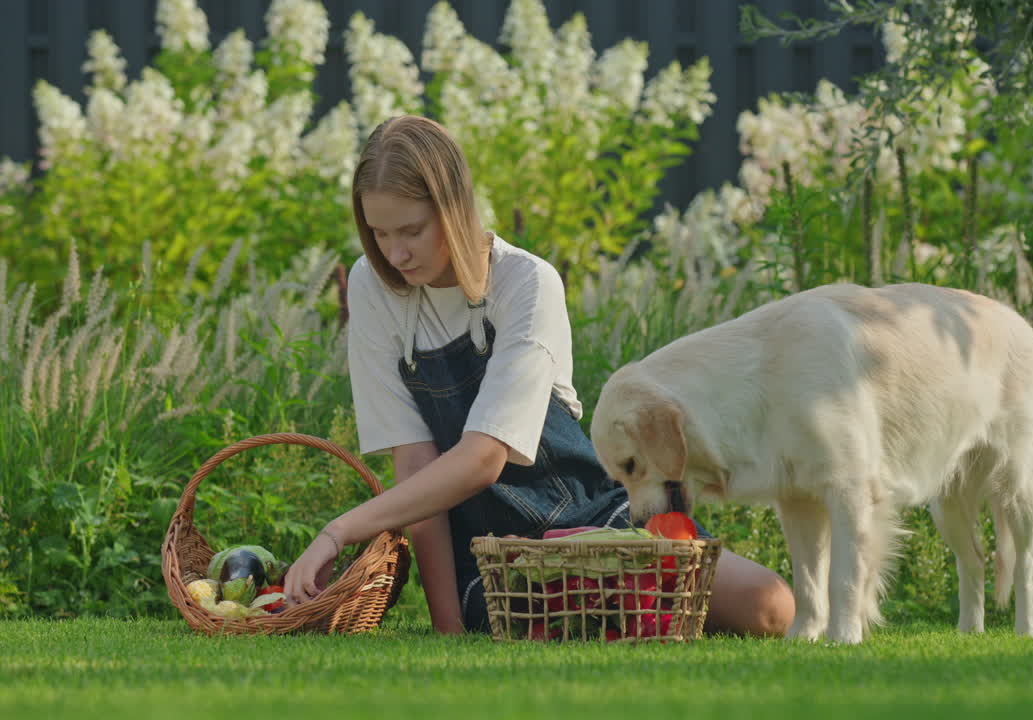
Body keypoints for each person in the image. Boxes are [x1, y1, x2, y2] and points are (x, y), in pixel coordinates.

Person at [283, 115, 794, 636]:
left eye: (411, 230)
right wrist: (448, 626)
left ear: (455, 209)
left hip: (603, 521)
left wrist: (337, 532)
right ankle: (628, 615)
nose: (395, 253)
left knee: (768, 605)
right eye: (379, 233)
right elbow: (416, 467)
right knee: (584, 622)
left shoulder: (526, 282)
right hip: (499, 563)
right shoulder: (373, 287)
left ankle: (629, 609)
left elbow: (483, 457)